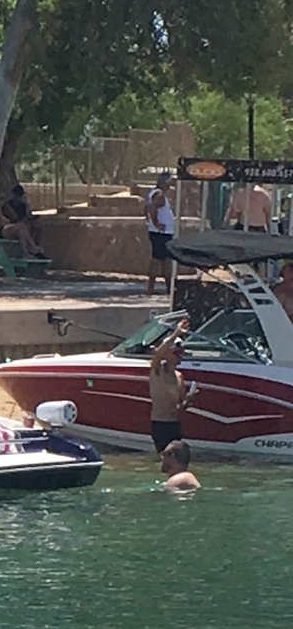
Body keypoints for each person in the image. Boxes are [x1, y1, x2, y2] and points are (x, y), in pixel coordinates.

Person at [148, 317, 193, 453]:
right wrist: (176, 333)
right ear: (167, 353)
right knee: (165, 456)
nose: (179, 356)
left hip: (174, 424)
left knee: (176, 458)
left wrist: (188, 400)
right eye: (176, 352)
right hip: (160, 424)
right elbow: (158, 354)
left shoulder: (179, 376)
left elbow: (181, 407)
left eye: (181, 352)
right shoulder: (158, 370)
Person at [146, 172, 178, 294]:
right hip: (161, 233)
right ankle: (164, 288)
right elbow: (152, 208)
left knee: (163, 260)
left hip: (160, 232)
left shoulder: (153, 193)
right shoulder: (159, 195)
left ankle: (167, 287)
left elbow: (147, 208)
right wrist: (156, 223)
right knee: (161, 261)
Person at [0, 182, 44, 258]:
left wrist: (28, 209)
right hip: (6, 228)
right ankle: (26, 251)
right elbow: (15, 219)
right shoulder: (8, 206)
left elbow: (29, 216)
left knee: (37, 225)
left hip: (21, 225)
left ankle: (35, 247)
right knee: (21, 227)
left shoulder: (23, 206)